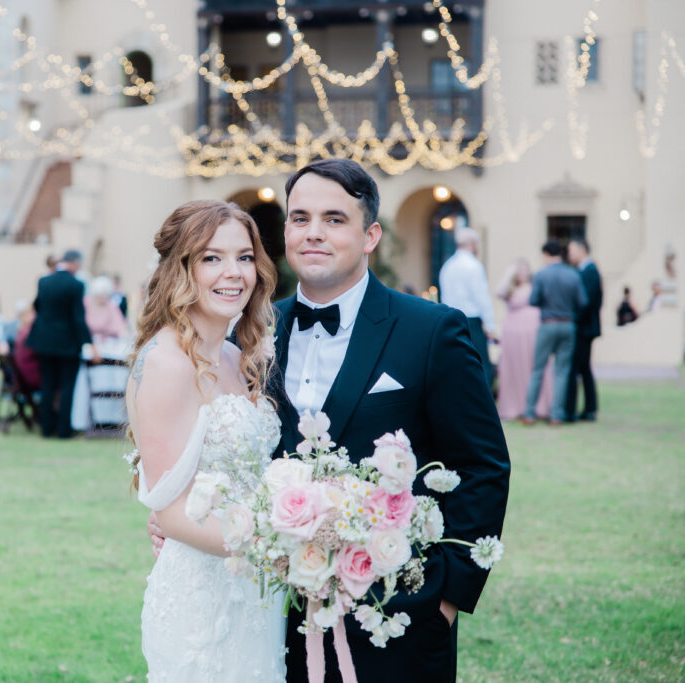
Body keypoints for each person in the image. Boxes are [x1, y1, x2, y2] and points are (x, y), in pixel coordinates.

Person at [148, 160, 510, 682]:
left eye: (335, 219)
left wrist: (448, 598)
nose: (313, 232)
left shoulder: (433, 331)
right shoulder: (247, 335)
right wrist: (173, 515)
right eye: (300, 218)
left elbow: (483, 465)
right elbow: (206, 452)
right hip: (270, 616)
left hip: (396, 614)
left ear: (370, 236)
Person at [127, 200, 285, 679]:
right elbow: (172, 514)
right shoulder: (165, 361)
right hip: (200, 599)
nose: (232, 273)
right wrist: (281, 549)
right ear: (182, 269)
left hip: (255, 593)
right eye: (211, 258)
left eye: (243, 257)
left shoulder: (240, 359)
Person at [26, 249, 99, 438]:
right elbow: (78, 318)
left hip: (44, 342)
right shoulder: (76, 285)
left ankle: (46, 427)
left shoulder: (43, 281)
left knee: (48, 385)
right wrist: (89, 343)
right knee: (67, 386)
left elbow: (37, 306)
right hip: (67, 344)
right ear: (75, 263)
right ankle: (63, 430)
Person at [520, 240, 587, 426]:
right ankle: (556, 415)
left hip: (547, 324)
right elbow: (582, 301)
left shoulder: (541, 274)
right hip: (568, 325)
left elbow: (533, 300)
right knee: (562, 372)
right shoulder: (573, 274)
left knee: (538, 369)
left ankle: (529, 413)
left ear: (546, 254)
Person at [494, 259, 552, 420]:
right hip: (512, 334)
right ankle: (514, 406)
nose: (521, 273)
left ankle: (538, 407)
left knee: (534, 366)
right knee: (513, 368)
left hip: (533, 332)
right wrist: (509, 273)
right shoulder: (510, 289)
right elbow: (498, 292)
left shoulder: (535, 285)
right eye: (518, 270)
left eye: (523, 269)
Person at [439, 227, 497, 386]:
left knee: (457, 363)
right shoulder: (474, 266)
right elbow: (481, 297)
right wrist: (491, 325)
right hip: (471, 320)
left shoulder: (447, 266)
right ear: (472, 244)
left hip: (450, 320)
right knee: (482, 364)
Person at [565, 238, 603, 422]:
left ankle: (575, 410)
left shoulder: (590, 272)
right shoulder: (584, 271)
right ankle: (588, 409)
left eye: (571, 250)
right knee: (583, 368)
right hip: (583, 327)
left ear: (582, 250)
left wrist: (572, 319)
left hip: (584, 328)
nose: (569, 255)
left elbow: (585, 303)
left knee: (577, 368)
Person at [83, 275, 128, 343]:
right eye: (99, 294)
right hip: (87, 341)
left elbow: (121, 327)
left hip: (106, 344)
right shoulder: (86, 303)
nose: (102, 297)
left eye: (105, 294)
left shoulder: (111, 306)